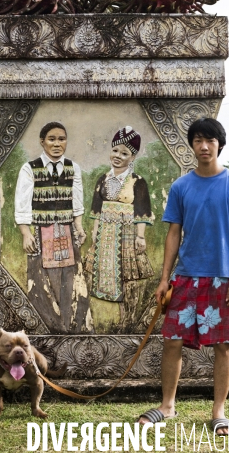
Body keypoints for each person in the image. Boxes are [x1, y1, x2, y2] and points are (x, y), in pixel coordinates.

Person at [138, 118, 229, 436]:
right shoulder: (181, 187)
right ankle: (167, 406)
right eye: (198, 141)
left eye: (210, 141)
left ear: (220, 144)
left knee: (223, 346)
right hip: (186, 277)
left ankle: (218, 411)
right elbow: (174, 234)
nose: (204, 147)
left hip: (223, 278)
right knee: (172, 342)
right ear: (192, 145)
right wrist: (165, 278)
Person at [14, 121, 92, 334]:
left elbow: (77, 200)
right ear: (42, 142)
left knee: (70, 279)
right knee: (42, 280)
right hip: (41, 233)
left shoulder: (72, 167)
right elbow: (22, 202)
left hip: (66, 232)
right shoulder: (30, 168)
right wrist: (25, 233)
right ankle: (47, 327)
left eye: (61, 139)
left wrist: (78, 227)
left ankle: (70, 326)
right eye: (52, 139)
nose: (57, 144)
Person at [85, 126, 154, 331]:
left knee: (129, 278)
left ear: (132, 158)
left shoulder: (137, 182)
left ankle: (128, 321)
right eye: (115, 151)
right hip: (105, 234)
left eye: (124, 153)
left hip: (126, 234)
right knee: (92, 272)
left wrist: (140, 237)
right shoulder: (103, 179)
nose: (118, 156)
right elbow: (96, 209)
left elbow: (142, 211)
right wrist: (95, 232)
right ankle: (97, 320)